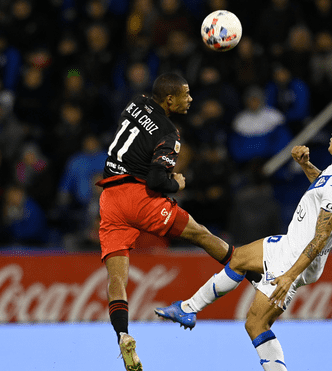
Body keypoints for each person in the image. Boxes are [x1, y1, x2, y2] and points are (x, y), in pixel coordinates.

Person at [155, 113, 332, 370]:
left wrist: (289, 276)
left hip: (296, 258)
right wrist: (306, 165)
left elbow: (320, 238)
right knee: (238, 259)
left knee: (256, 324)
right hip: (290, 244)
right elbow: (323, 188)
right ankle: (188, 308)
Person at [95, 72, 256, 370]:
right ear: (170, 99)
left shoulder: (134, 103)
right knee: (200, 233)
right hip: (139, 197)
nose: (191, 99)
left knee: (116, 279)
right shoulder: (169, 134)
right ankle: (253, 273)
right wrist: (177, 183)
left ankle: (123, 335)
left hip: (110, 198)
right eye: (186, 94)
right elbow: (157, 180)